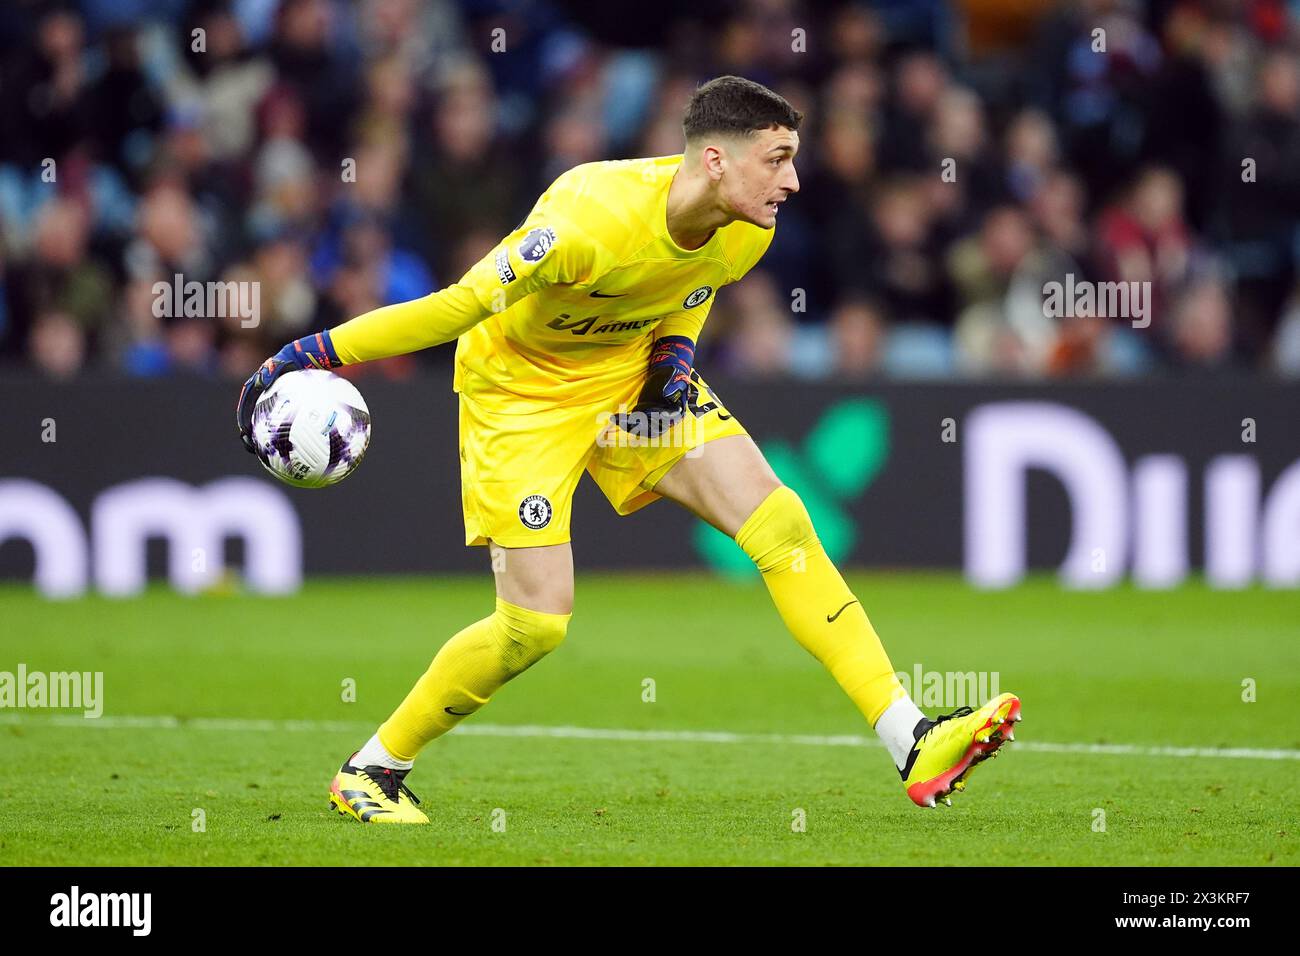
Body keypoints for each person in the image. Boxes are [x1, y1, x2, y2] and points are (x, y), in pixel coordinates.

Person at [235, 76, 1020, 823]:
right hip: (520, 400)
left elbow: (687, 292)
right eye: (778, 159)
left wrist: (675, 357)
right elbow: (454, 308)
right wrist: (305, 355)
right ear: (717, 159)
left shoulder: (746, 231)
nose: (794, 182)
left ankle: (910, 738)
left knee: (780, 523)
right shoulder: (586, 220)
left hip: (624, 387)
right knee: (533, 626)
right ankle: (373, 769)